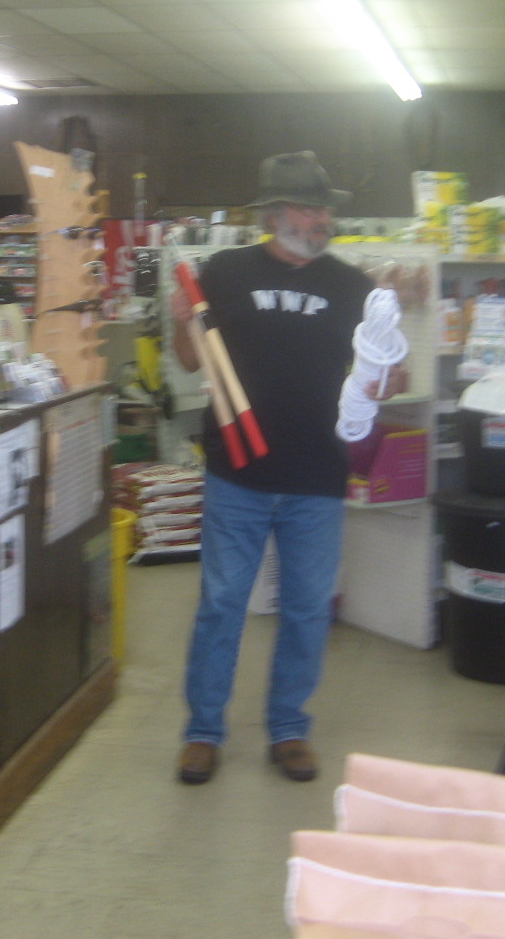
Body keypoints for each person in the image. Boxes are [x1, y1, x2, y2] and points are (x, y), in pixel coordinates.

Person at [171, 151, 405, 786]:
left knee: (307, 608)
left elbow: (385, 372)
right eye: (308, 207)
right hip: (236, 471)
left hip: (317, 475)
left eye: (326, 209)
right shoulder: (224, 271)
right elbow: (192, 361)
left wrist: (386, 369)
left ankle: (288, 727)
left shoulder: (353, 287)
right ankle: (203, 731)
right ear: (273, 213)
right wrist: (179, 323)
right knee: (221, 604)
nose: (321, 218)